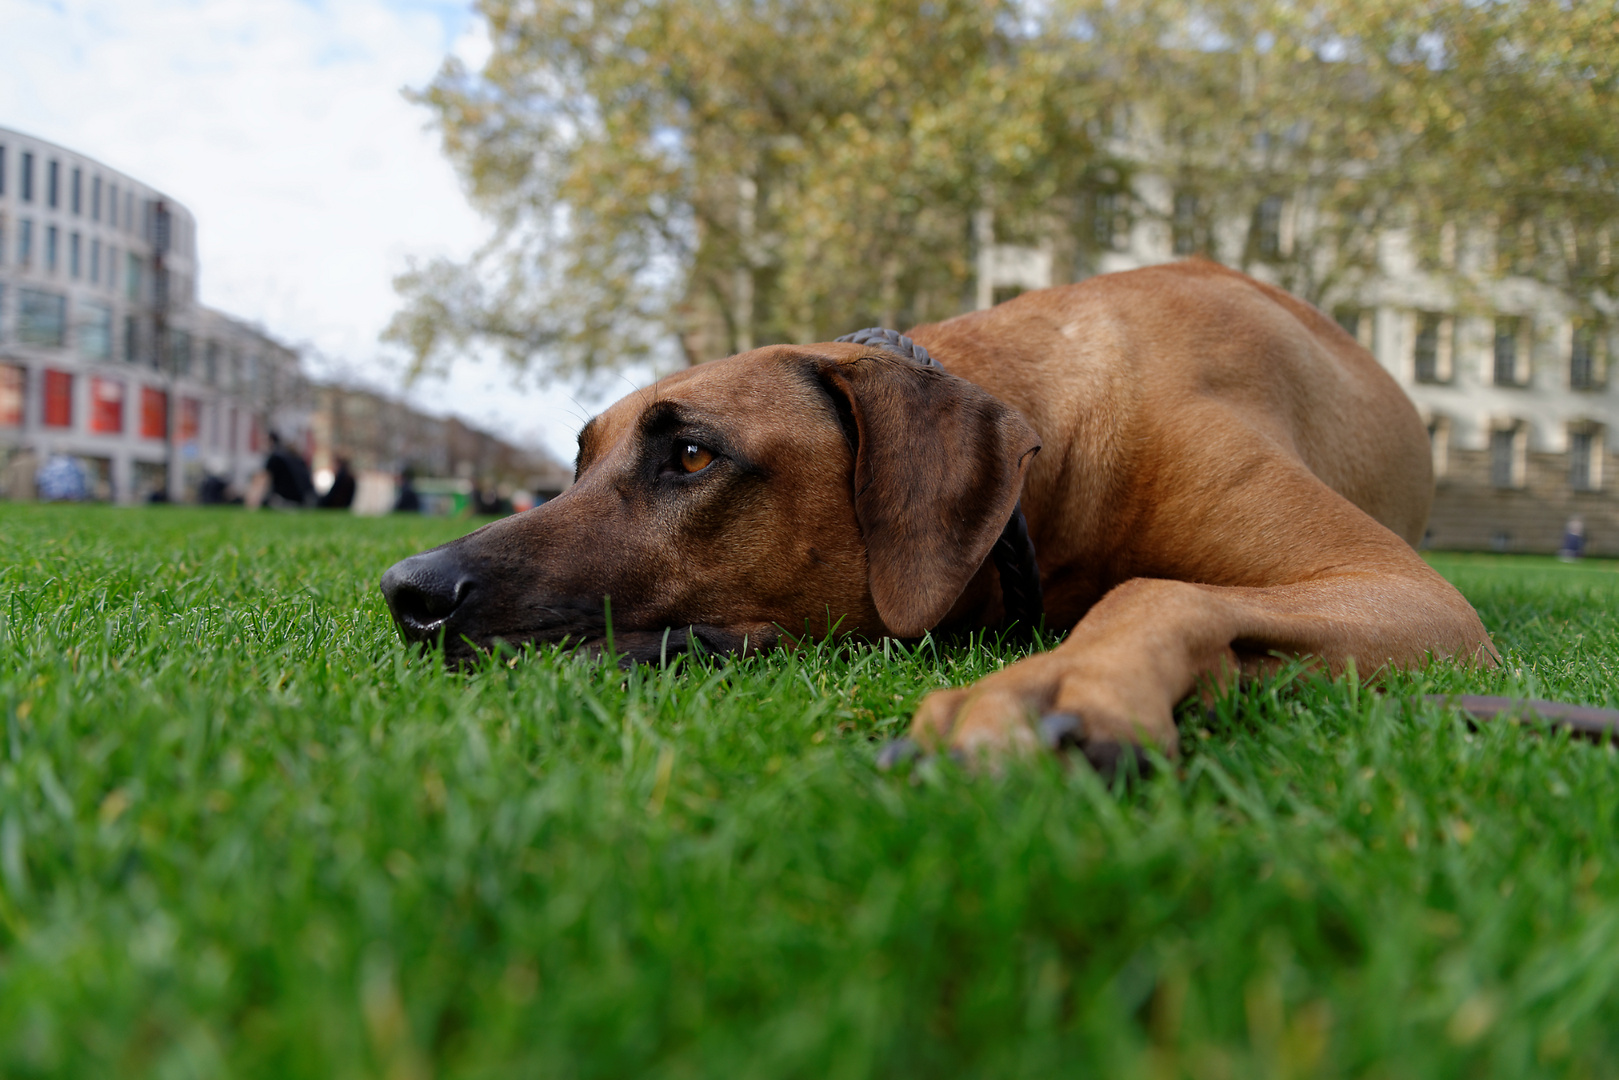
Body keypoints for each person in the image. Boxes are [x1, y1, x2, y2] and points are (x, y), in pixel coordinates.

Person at [265, 432, 315, 508]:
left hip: (287, 502)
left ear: (271, 441)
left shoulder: (275, 457)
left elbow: (263, 483)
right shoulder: (297, 458)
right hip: (306, 500)